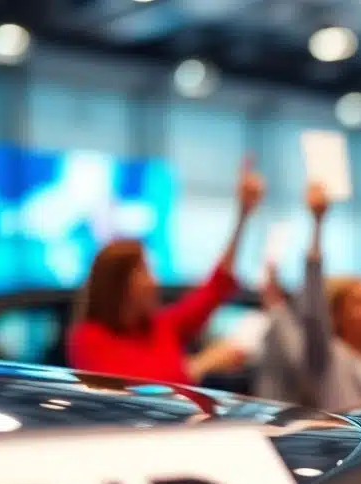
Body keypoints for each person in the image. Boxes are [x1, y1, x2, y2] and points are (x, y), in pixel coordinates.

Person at [67, 161, 263, 385]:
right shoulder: (88, 338)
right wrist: (202, 363)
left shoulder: (161, 326)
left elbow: (213, 289)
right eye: (144, 271)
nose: (154, 281)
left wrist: (242, 216)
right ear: (119, 283)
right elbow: (135, 387)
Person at [258, 183, 361, 411]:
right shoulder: (326, 358)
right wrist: (318, 224)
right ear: (335, 313)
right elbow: (313, 313)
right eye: (359, 303)